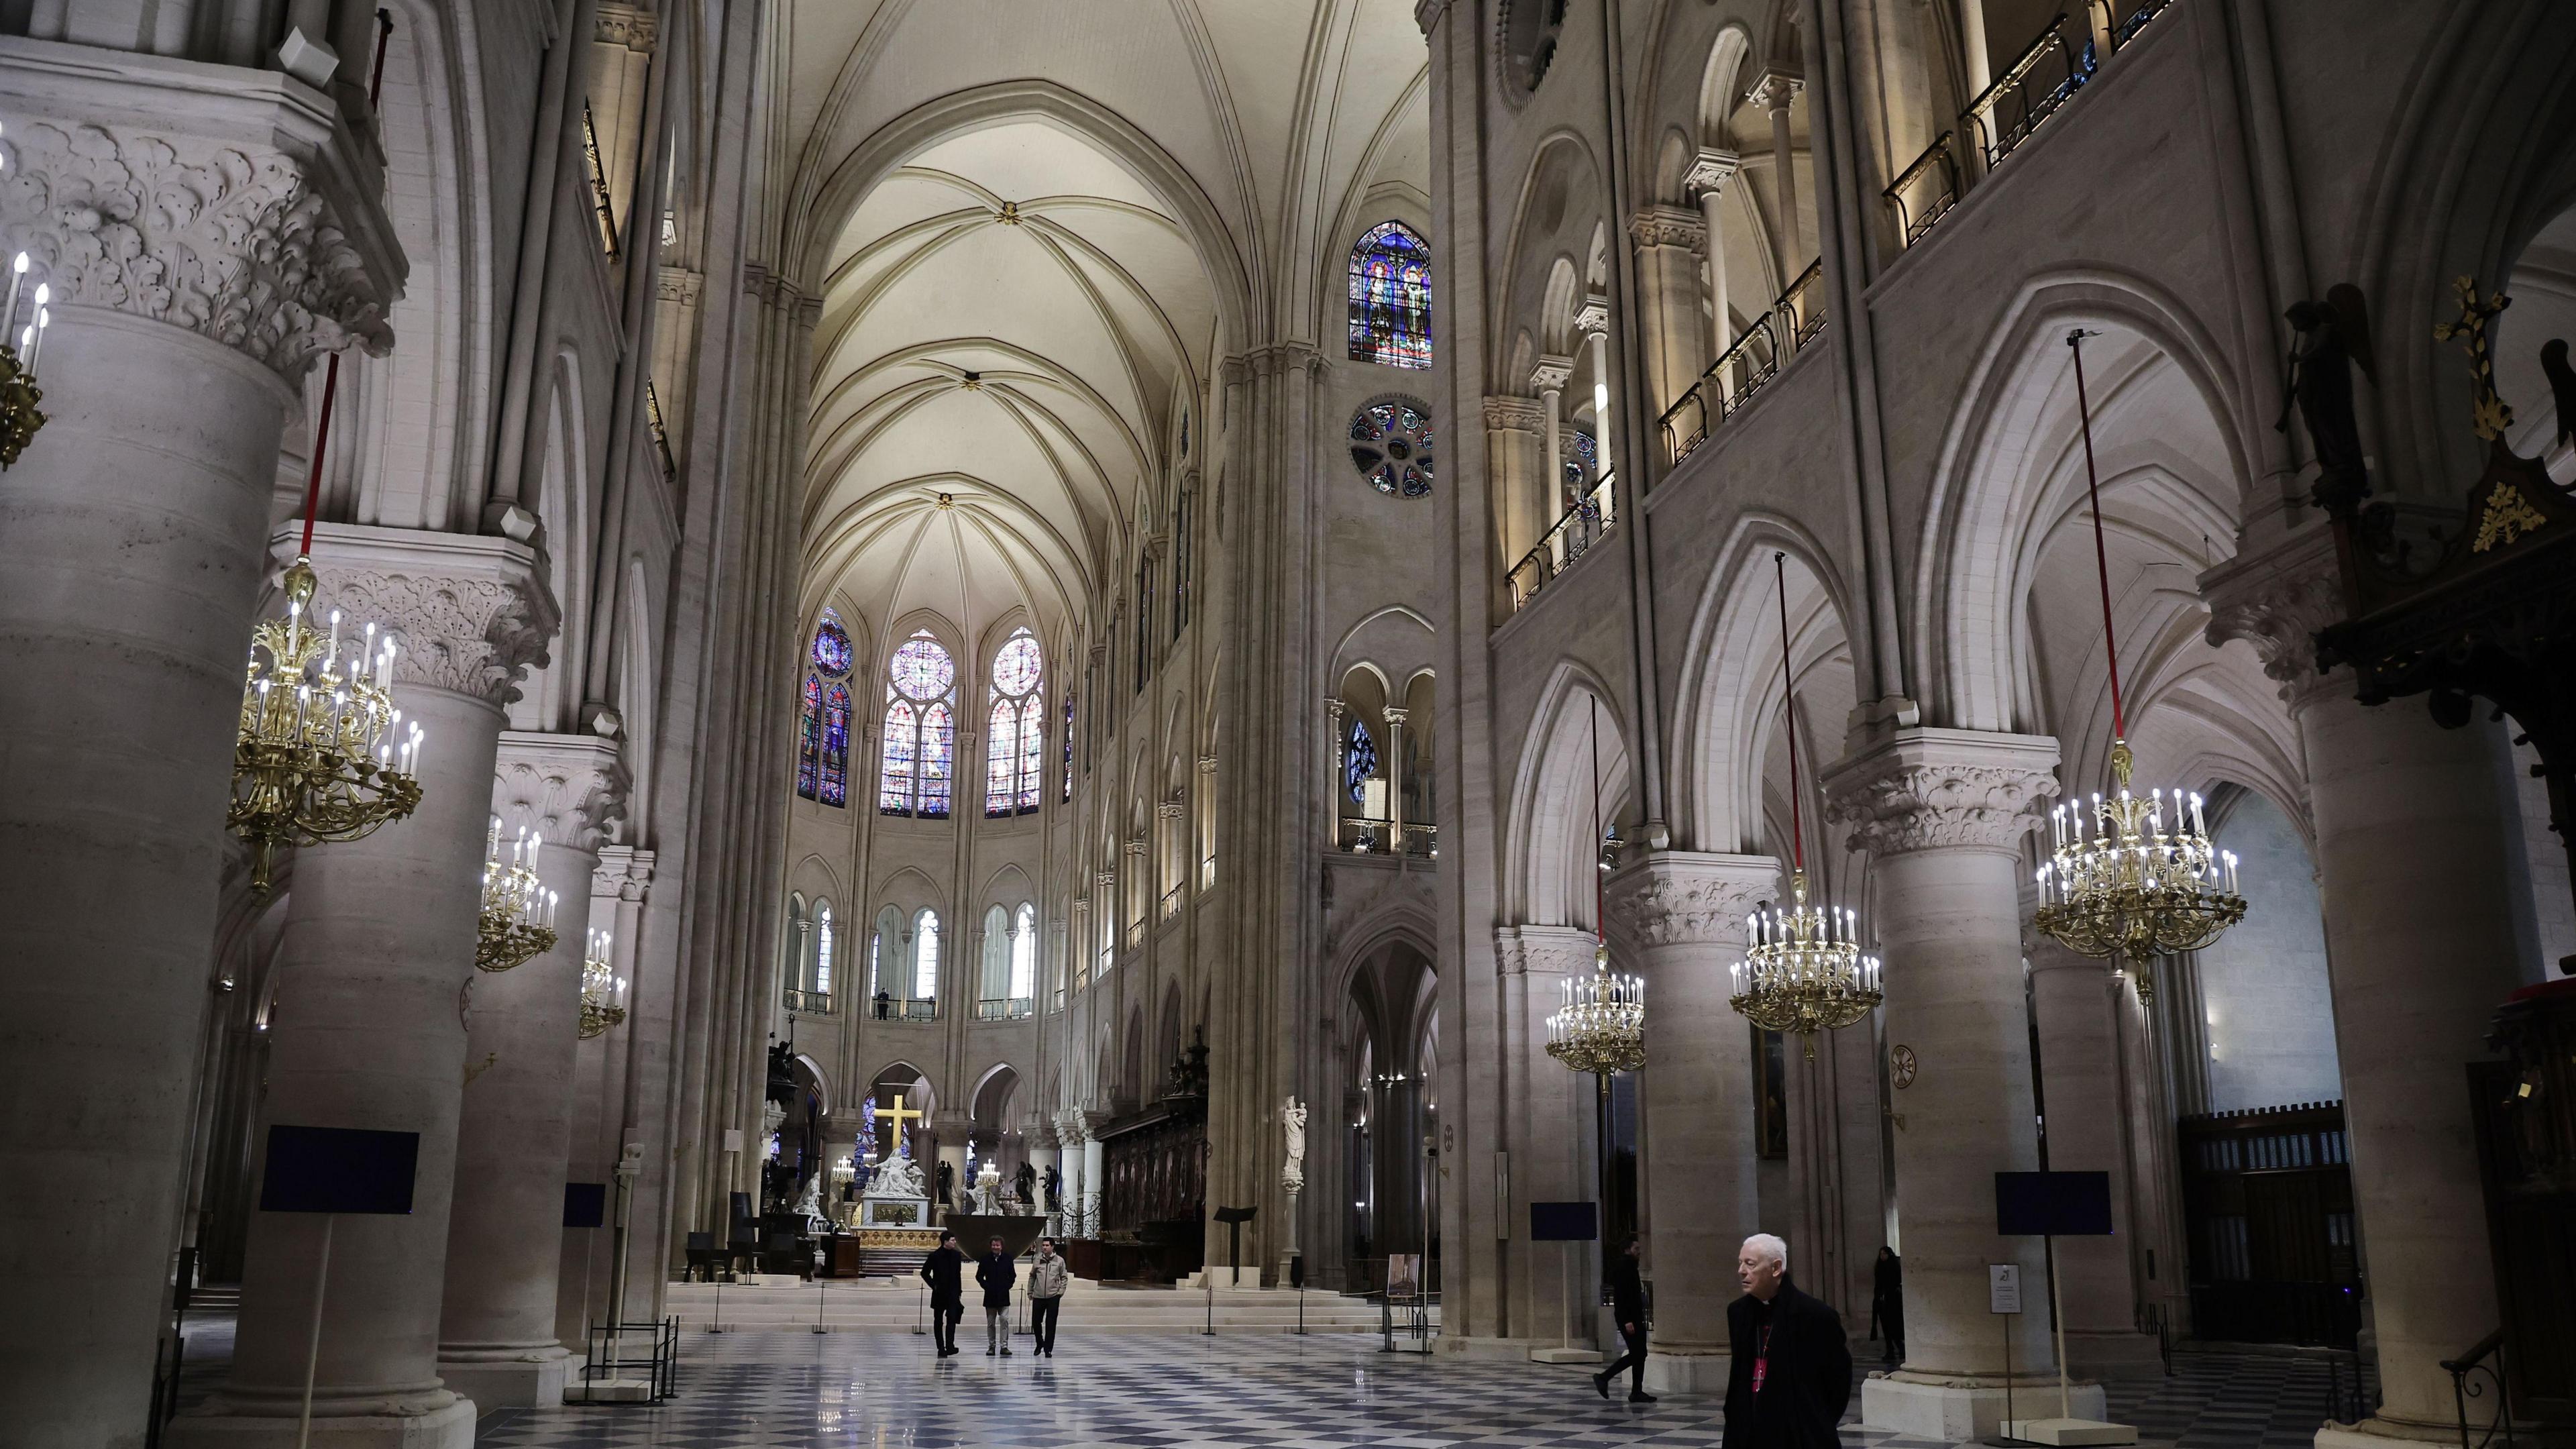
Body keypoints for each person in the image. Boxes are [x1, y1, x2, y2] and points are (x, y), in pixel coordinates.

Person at [1722, 1234, 1853, 1449]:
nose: (1741, 1271)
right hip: (1746, 1432)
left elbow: (1838, 1379)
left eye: (1750, 1264)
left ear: (1776, 1268)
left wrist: (1817, 1421)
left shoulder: (1815, 1314)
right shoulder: (1738, 1312)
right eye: (1740, 1263)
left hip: (1798, 1433)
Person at [1591, 1234, 1653, 1403]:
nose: (1639, 1252)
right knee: (1638, 1353)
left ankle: (1636, 1391)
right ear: (1627, 1250)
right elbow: (1622, 1296)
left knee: (1640, 1354)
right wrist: (1627, 1320)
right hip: (1629, 1318)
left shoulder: (1630, 1265)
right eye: (1636, 1249)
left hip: (1633, 1317)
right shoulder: (1625, 1267)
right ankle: (1604, 1377)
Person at [919, 1230, 965, 1356]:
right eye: (952, 1240)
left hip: (953, 1293)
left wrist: (959, 1290)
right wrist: (934, 1285)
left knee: (952, 1320)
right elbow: (925, 1273)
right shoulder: (935, 1256)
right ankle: (940, 1347)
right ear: (945, 1242)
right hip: (940, 1292)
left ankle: (950, 1346)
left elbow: (958, 1275)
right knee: (938, 1321)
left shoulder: (957, 1256)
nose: (955, 1242)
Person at [976, 1234, 1017, 1355]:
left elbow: (1012, 1276)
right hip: (990, 1296)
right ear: (991, 1246)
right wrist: (986, 1286)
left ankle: (1004, 1346)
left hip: (1004, 1295)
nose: (995, 1247)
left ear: (1002, 1246)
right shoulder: (985, 1259)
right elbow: (979, 1276)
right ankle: (991, 1346)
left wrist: (1007, 1286)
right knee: (991, 1323)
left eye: (997, 1245)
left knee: (1004, 1320)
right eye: (993, 1245)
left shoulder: (1008, 1259)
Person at [1028, 1236, 1068, 1356]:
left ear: (1052, 1247)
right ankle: (1040, 1343)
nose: (1045, 1248)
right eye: (1043, 1246)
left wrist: (1060, 1292)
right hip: (1039, 1295)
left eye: (1047, 1246)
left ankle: (1048, 1349)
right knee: (1036, 1322)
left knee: (1051, 1323)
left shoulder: (1059, 1260)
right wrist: (1030, 1291)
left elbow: (1064, 1277)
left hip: (1053, 1296)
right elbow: (1032, 1276)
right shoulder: (1038, 1259)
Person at [1870, 1246, 1903, 1367]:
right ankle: (1891, 1350)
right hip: (1881, 1300)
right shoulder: (1879, 1267)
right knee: (1886, 1327)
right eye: (1881, 1254)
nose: (1882, 1256)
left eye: (1884, 1254)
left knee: (1893, 1326)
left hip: (1892, 1301)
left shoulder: (1893, 1267)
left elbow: (1896, 1282)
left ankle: (1900, 1347)